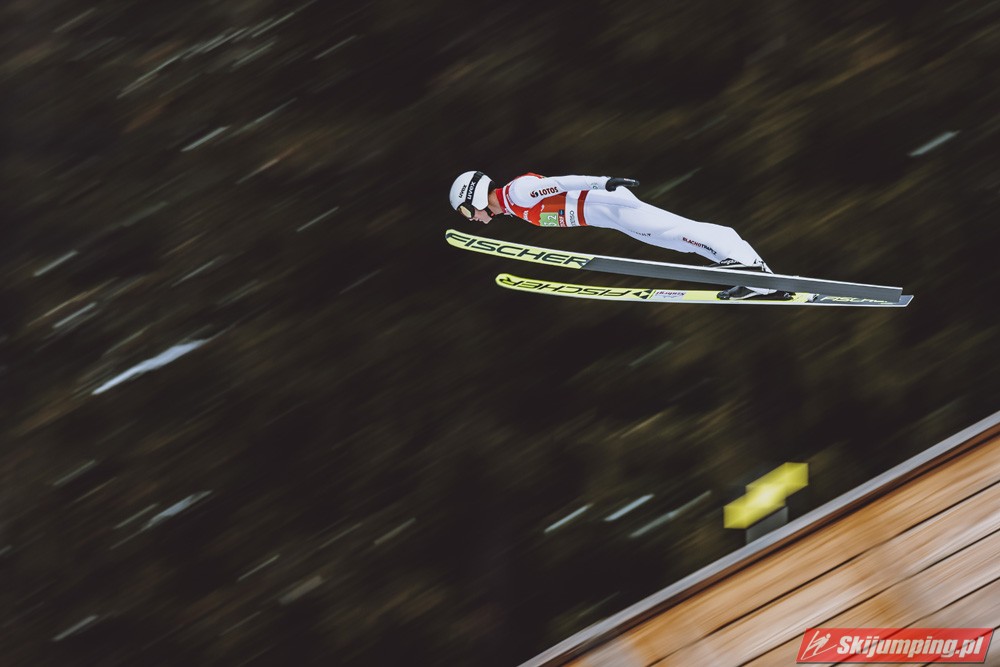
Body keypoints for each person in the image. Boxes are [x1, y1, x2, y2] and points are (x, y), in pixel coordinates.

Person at [448, 170, 791, 300]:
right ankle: (761, 280)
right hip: (612, 217)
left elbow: (561, 183)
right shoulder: (511, 206)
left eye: (466, 211)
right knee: (680, 239)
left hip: (613, 206)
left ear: (474, 196)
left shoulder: (517, 193)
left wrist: (604, 182)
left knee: (679, 234)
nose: (470, 218)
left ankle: (746, 268)